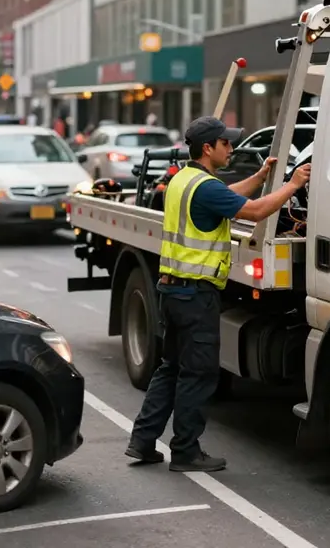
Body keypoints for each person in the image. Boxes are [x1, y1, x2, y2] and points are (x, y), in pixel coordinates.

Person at [125, 115, 312, 472]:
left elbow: (227, 198)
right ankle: (185, 451)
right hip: (197, 295)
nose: (232, 148)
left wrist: (260, 179)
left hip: (172, 290)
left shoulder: (185, 179)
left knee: (171, 368)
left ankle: (142, 441)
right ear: (208, 148)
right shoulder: (205, 187)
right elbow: (254, 211)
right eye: (226, 143)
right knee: (199, 374)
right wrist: (291, 184)